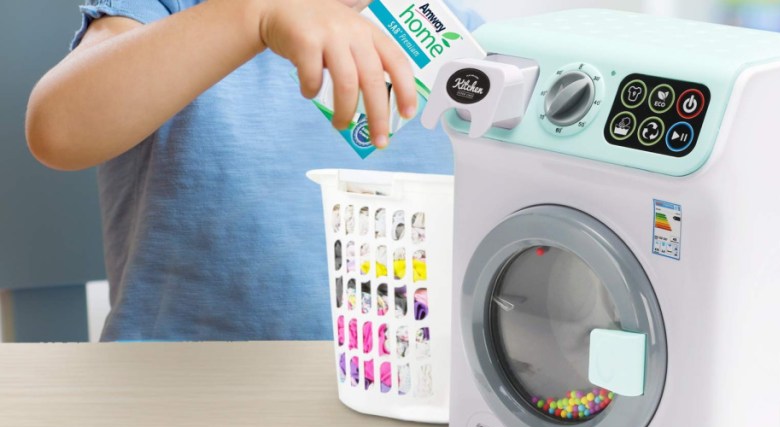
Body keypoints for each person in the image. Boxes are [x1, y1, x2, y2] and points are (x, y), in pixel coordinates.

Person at [25, 0, 482, 341]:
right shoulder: (169, 10)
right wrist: (254, 15)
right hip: (180, 404)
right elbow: (58, 131)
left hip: (398, 396)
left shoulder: (459, 39)